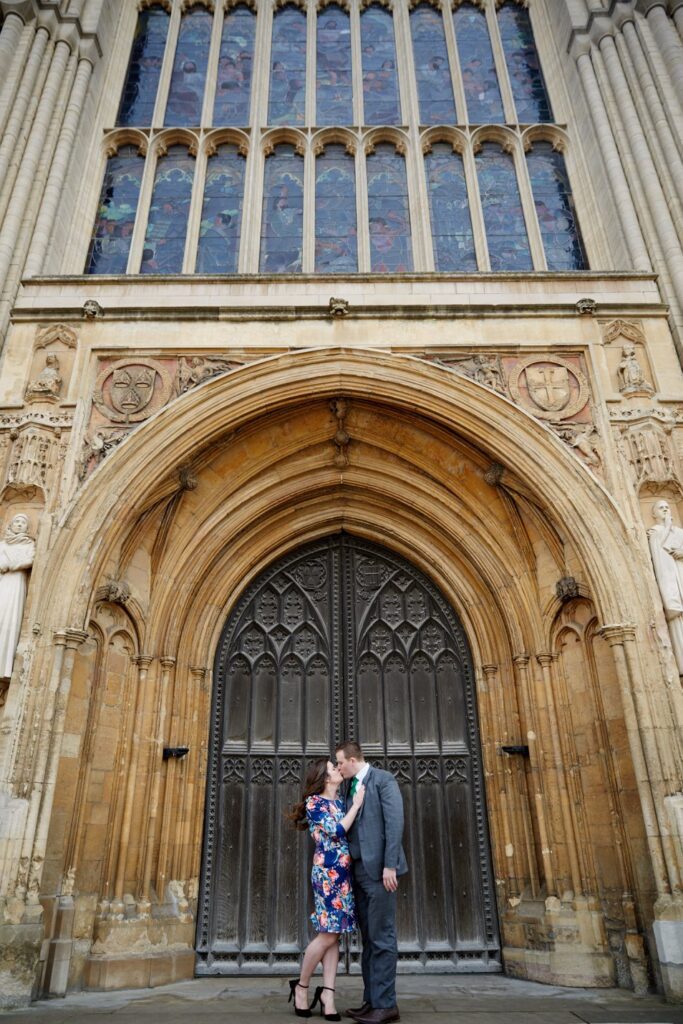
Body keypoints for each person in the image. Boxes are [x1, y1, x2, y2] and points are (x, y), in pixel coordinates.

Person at [288, 758, 366, 1020]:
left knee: (334, 933)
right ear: (325, 778)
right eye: (334, 768)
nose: (338, 769)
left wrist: (351, 805)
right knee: (328, 935)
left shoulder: (340, 802)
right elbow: (335, 831)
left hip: (344, 875)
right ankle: (302, 986)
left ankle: (328, 994)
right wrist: (356, 806)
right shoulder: (315, 803)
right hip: (326, 876)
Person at [335, 741, 407, 1024]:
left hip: (380, 872)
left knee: (383, 937)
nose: (338, 767)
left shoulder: (383, 780)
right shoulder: (349, 787)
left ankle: (387, 1005)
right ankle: (371, 1000)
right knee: (369, 939)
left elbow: (394, 822)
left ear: (353, 760)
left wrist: (390, 865)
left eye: (340, 762)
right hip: (358, 871)